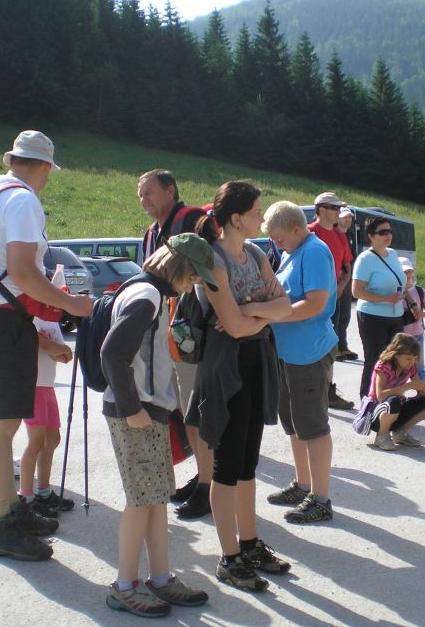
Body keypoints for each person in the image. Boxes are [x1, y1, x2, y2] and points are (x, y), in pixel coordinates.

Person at [0, 130, 93, 561]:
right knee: (1, 428)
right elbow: (22, 270)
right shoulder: (21, 200)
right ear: (45, 167)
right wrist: (73, 303)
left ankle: (11, 509)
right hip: (3, 320)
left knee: (5, 423)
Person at [101, 235, 216, 617]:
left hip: (150, 411)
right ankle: (124, 585)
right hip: (136, 413)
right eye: (193, 275)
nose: (194, 283)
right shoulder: (147, 296)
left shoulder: (148, 291)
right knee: (141, 500)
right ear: (178, 265)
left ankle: (161, 578)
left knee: (154, 497)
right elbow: (113, 354)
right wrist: (132, 408)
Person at [186, 181, 292, 593]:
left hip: (254, 362)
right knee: (225, 469)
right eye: (255, 213)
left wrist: (251, 311)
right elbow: (230, 326)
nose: (261, 220)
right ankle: (229, 558)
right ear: (235, 218)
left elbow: (284, 305)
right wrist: (259, 315)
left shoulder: (256, 253)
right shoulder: (210, 261)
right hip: (225, 369)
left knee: (248, 464)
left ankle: (249, 545)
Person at [137, 169, 212, 518]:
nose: (143, 200)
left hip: (191, 336)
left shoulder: (193, 221)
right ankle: (202, 478)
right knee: (184, 413)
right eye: (140, 195)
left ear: (171, 190)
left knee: (196, 415)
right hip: (166, 336)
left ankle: (209, 487)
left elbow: (213, 273)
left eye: (149, 192)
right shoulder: (153, 231)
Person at [264, 200, 337, 524]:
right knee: (294, 422)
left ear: (297, 228)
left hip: (308, 352)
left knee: (313, 426)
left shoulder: (315, 250)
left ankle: (320, 499)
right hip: (289, 352)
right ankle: (303, 484)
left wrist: (267, 315)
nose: (276, 246)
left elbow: (316, 304)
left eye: (278, 239)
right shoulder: (294, 250)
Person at [17, 317, 73, 517]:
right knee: (36, 442)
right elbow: (46, 345)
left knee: (52, 439)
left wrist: (58, 350)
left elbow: (63, 354)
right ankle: (26, 495)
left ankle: (43, 491)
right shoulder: (30, 316)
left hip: (47, 385)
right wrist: (56, 349)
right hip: (33, 385)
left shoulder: (50, 319)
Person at [308, 192, 355, 409]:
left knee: (330, 345)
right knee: (310, 345)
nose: (339, 212)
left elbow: (347, 267)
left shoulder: (339, 236)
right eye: (334, 208)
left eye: (339, 208)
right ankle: (309, 390)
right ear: (321, 210)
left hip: (331, 300)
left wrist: (339, 289)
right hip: (310, 301)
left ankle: (327, 392)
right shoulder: (308, 233)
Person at [352, 215, 406, 398]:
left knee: (395, 360)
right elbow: (357, 291)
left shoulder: (393, 254)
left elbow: (400, 281)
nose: (387, 235)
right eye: (382, 232)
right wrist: (385, 298)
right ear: (370, 236)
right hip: (372, 316)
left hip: (396, 315)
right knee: (375, 360)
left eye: (389, 231)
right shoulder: (365, 259)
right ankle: (367, 400)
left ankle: (389, 398)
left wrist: (409, 300)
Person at [365, 334, 425, 450]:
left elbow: (418, 388)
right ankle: (381, 435)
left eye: (415, 359)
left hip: (395, 408)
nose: (411, 362)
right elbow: (380, 396)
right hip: (375, 413)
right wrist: (408, 386)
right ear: (396, 355)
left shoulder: (410, 367)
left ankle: (400, 432)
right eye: (408, 359)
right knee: (393, 401)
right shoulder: (383, 366)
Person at [400, 257, 425, 380]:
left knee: (419, 367)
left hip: (418, 334)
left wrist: (419, 314)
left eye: (409, 271)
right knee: (400, 368)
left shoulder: (419, 291)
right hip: (401, 335)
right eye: (404, 272)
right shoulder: (397, 291)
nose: (407, 275)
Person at [335, 206, 357, 360]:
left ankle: (342, 346)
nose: (348, 220)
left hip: (347, 278)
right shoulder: (333, 234)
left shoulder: (347, 235)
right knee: (335, 316)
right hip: (336, 280)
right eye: (345, 217)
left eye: (349, 217)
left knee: (345, 315)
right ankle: (335, 347)